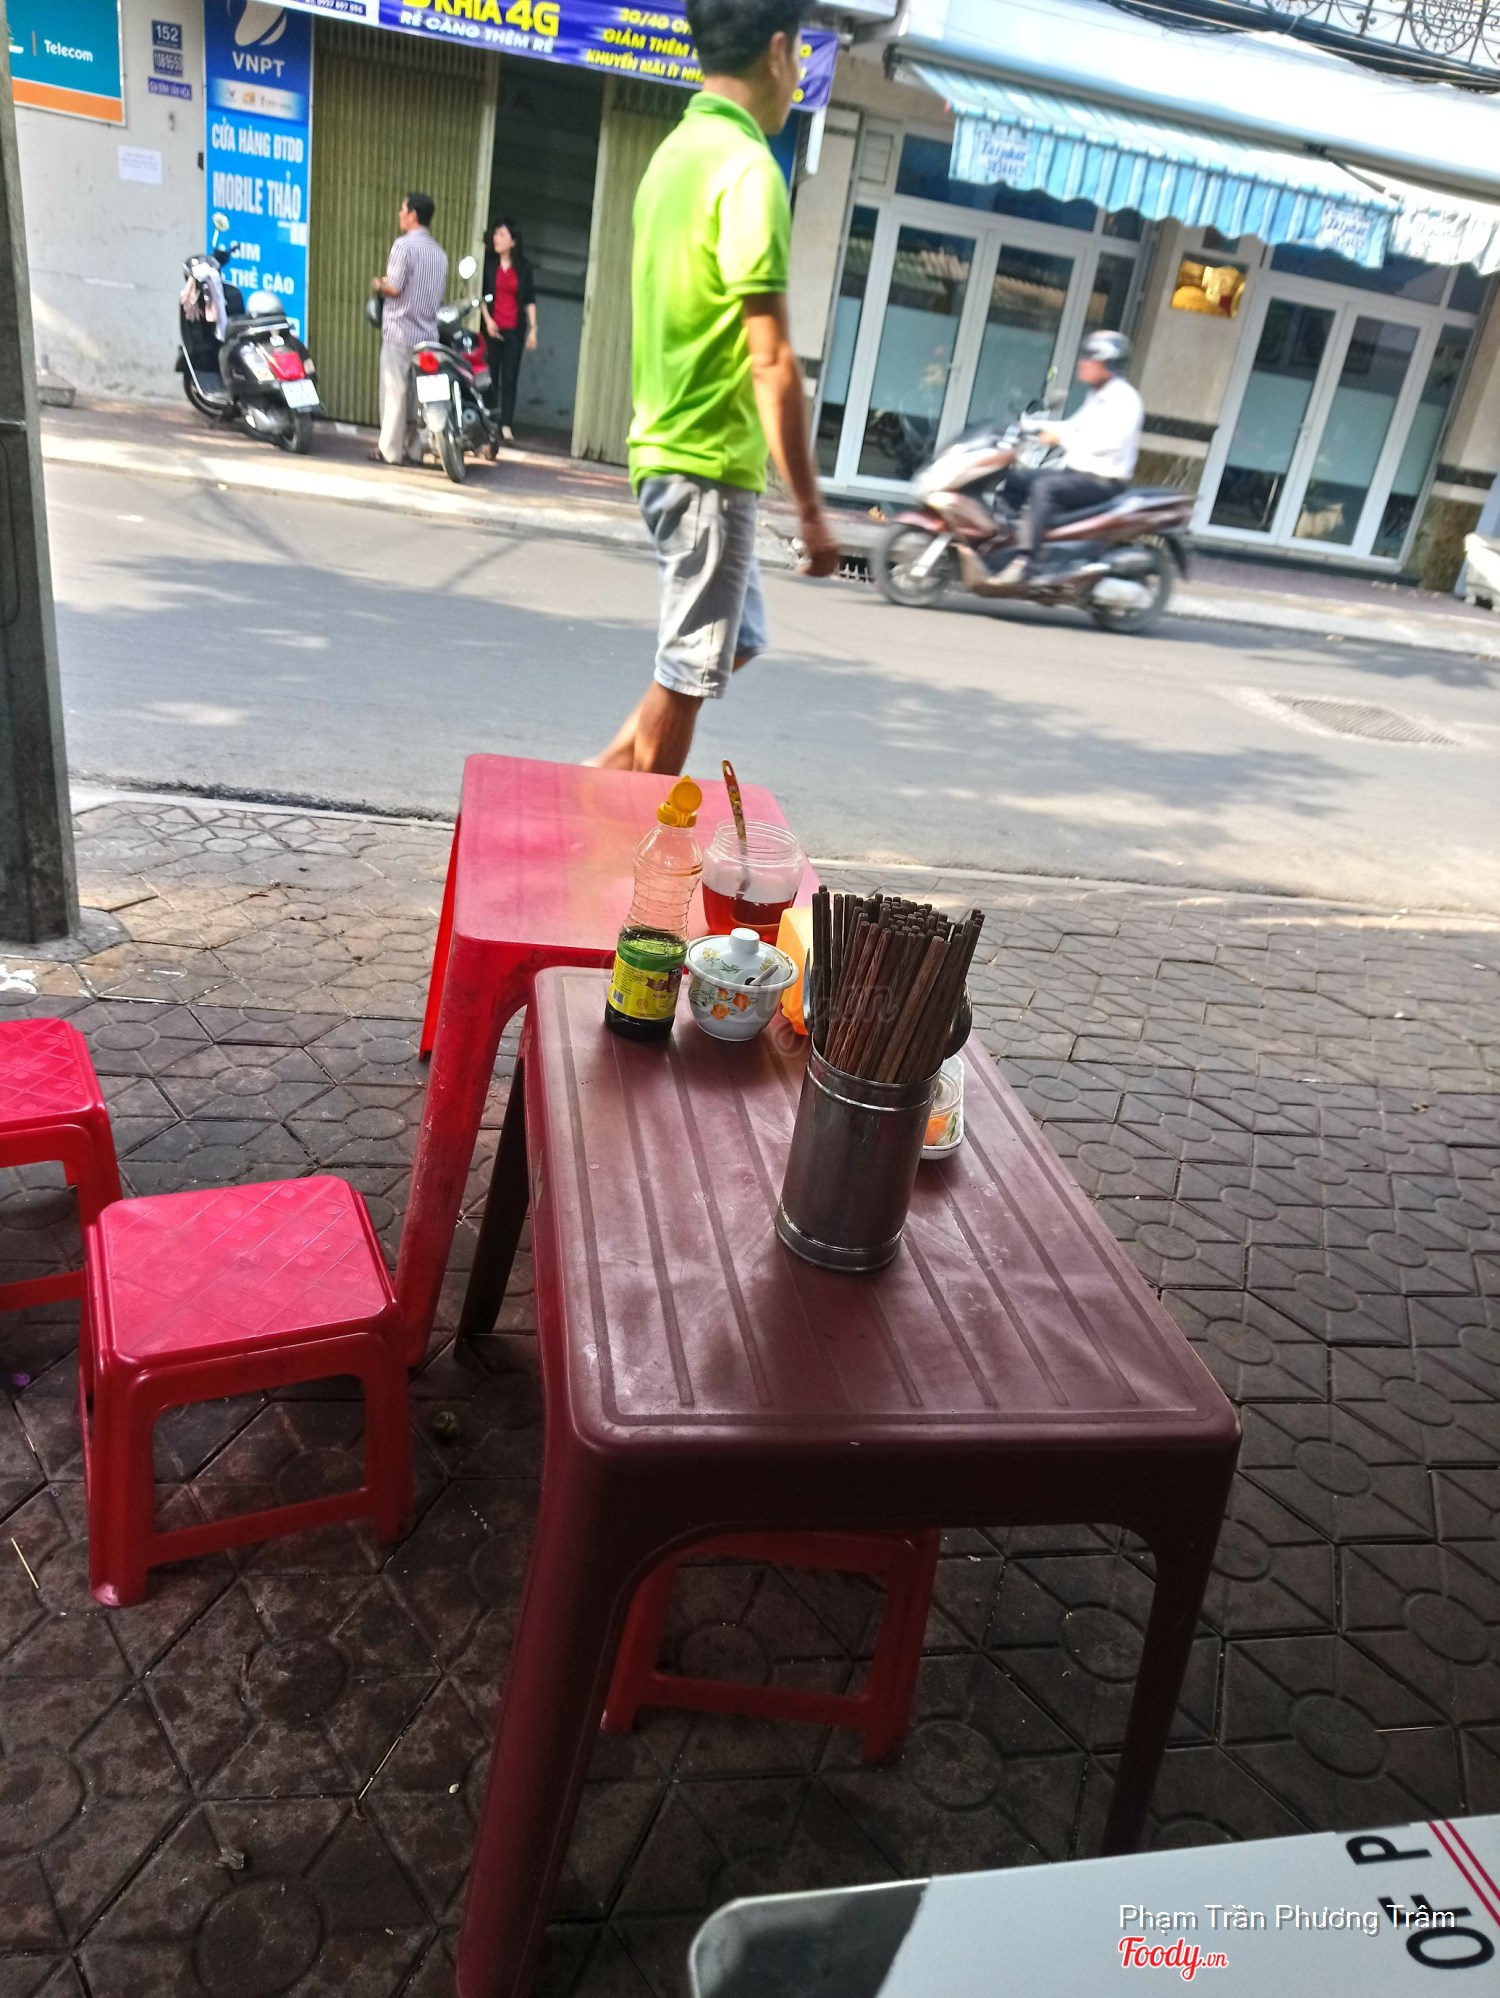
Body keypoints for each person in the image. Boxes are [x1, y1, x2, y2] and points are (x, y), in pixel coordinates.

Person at [592, 0, 840, 775]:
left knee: (736, 640)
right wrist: (812, 513)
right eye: (799, 58)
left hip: (667, 449)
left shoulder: (674, 156)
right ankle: (633, 835)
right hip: (707, 464)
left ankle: (593, 782)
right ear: (778, 51)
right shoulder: (748, 171)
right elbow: (773, 362)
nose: (797, 76)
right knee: (689, 671)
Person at [973, 330, 1144, 591]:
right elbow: (1074, 426)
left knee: (1045, 488)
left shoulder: (1124, 399)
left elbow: (1110, 443)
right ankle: (1003, 544)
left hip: (1102, 481)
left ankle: (1027, 564)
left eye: (1089, 358)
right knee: (1016, 477)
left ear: (1107, 363)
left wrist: (1060, 439)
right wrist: (1030, 426)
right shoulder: (1098, 394)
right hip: (1077, 474)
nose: (1082, 363)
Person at [370, 192, 449, 466]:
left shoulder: (403, 246)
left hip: (400, 331)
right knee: (418, 397)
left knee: (395, 393)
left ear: (413, 215)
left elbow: (394, 287)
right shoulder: (440, 254)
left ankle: (390, 451)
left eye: (402, 209)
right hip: (428, 336)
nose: (399, 214)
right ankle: (415, 450)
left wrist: (378, 284)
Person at [481, 217, 538, 447]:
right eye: (496, 234)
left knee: (510, 377)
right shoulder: (488, 264)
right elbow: (482, 295)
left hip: (514, 329)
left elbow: (530, 299)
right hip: (492, 329)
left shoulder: (524, 267)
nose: (497, 238)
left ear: (513, 241)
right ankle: (491, 423)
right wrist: (488, 321)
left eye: (502, 234)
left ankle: (506, 426)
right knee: (490, 377)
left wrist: (533, 329)